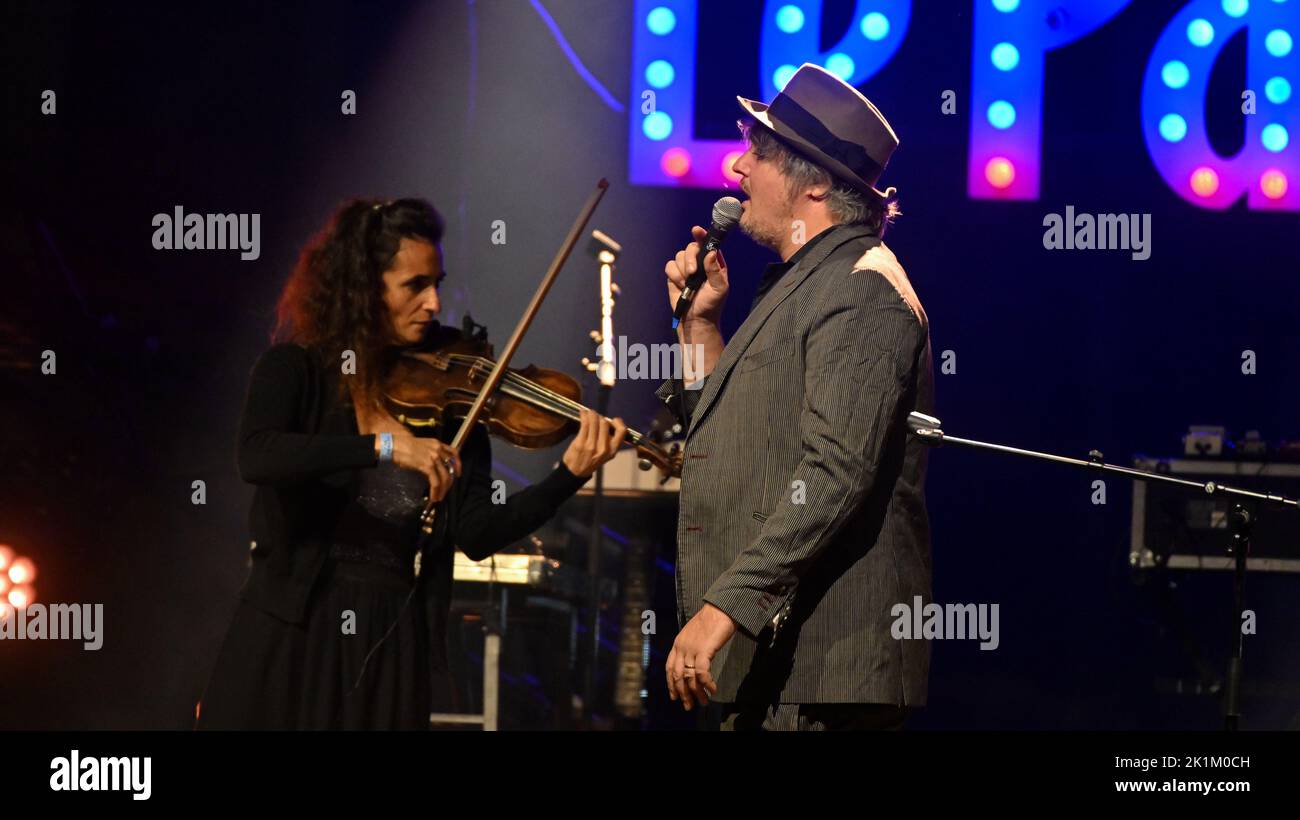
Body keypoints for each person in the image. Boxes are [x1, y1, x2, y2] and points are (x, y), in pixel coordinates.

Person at [197, 197, 625, 729]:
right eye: (415, 285)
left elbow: (476, 531)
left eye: (437, 283)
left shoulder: (454, 394)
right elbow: (258, 455)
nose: (433, 304)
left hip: (388, 636)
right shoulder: (296, 366)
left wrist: (568, 477)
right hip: (292, 626)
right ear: (363, 287)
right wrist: (382, 447)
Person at [658, 64, 934, 731]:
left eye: (758, 155)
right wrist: (699, 327)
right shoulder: (805, 281)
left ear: (813, 183)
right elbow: (730, 434)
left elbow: (836, 473)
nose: (736, 168)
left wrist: (726, 606)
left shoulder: (862, 289)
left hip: (826, 673)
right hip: (780, 664)